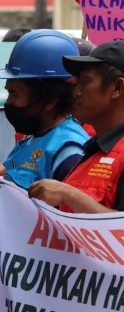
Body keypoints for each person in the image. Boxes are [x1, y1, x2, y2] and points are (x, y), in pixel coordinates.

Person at [0, 30, 90, 240]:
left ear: (50, 100)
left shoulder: (69, 151)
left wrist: (6, 187)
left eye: (14, 94)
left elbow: (64, 231)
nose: (8, 103)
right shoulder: (33, 139)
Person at [29, 40, 124, 213]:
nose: (76, 92)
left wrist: (70, 196)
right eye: (76, 83)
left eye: (85, 82)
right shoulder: (92, 149)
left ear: (117, 88)